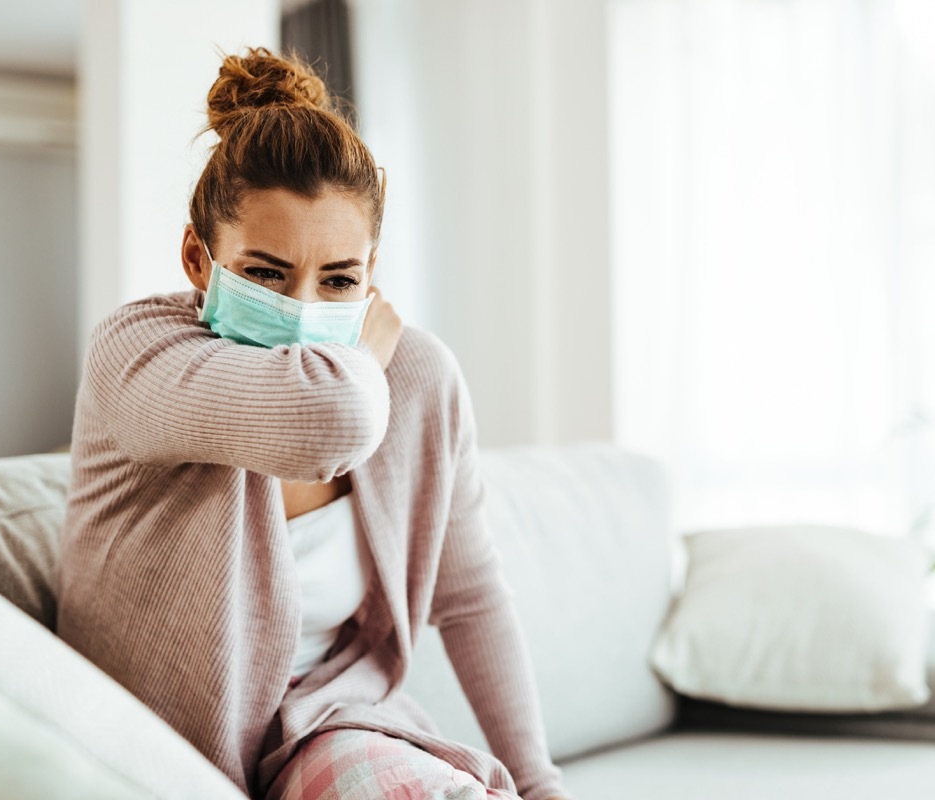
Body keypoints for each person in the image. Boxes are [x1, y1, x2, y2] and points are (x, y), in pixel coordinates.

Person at [56, 46, 574, 800]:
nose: (304, 313)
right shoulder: (139, 353)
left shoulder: (415, 377)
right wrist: (360, 357)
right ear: (199, 259)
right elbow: (325, 421)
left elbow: (470, 595)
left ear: (373, 276)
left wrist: (539, 783)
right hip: (162, 761)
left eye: (338, 279)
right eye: (267, 273)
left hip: (335, 723)